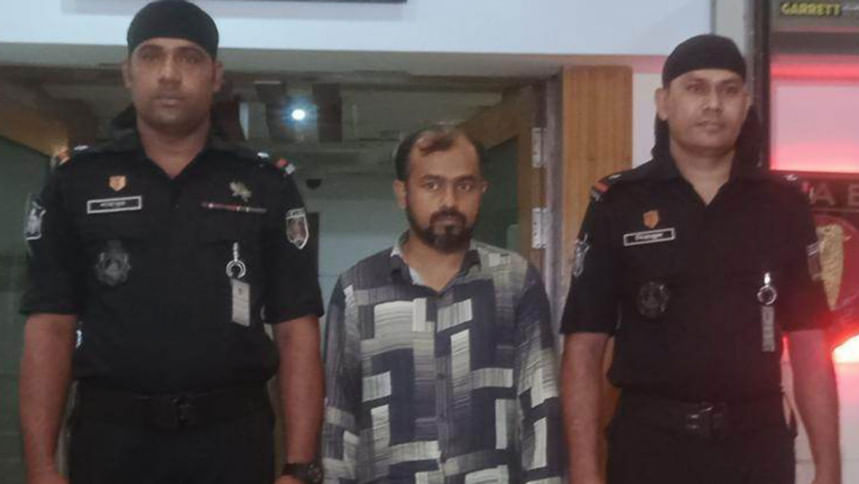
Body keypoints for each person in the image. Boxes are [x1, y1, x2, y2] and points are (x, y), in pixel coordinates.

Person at [19, 1, 324, 483]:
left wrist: (300, 468)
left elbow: (296, 330)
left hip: (232, 440)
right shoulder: (76, 182)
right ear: (127, 72)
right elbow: (50, 328)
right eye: (151, 55)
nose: (168, 73)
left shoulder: (264, 185)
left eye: (189, 57)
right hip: (111, 440)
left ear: (215, 75)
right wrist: (40, 469)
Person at [560, 34, 841, 484]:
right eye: (695, 87)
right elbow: (584, 346)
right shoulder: (620, 203)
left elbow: (810, 343)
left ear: (745, 104)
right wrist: (584, 471)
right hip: (650, 447)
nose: (713, 103)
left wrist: (829, 468)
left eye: (728, 90)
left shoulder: (783, 205)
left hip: (756, 446)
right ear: (663, 103)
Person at [321, 126, 563, 482]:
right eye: (431, 185)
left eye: (464, 185)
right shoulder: (358, 289)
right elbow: (339, 420)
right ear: (402, 193)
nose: (449, 201)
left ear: (481, 191)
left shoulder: (514, 281)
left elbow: (540, 406)